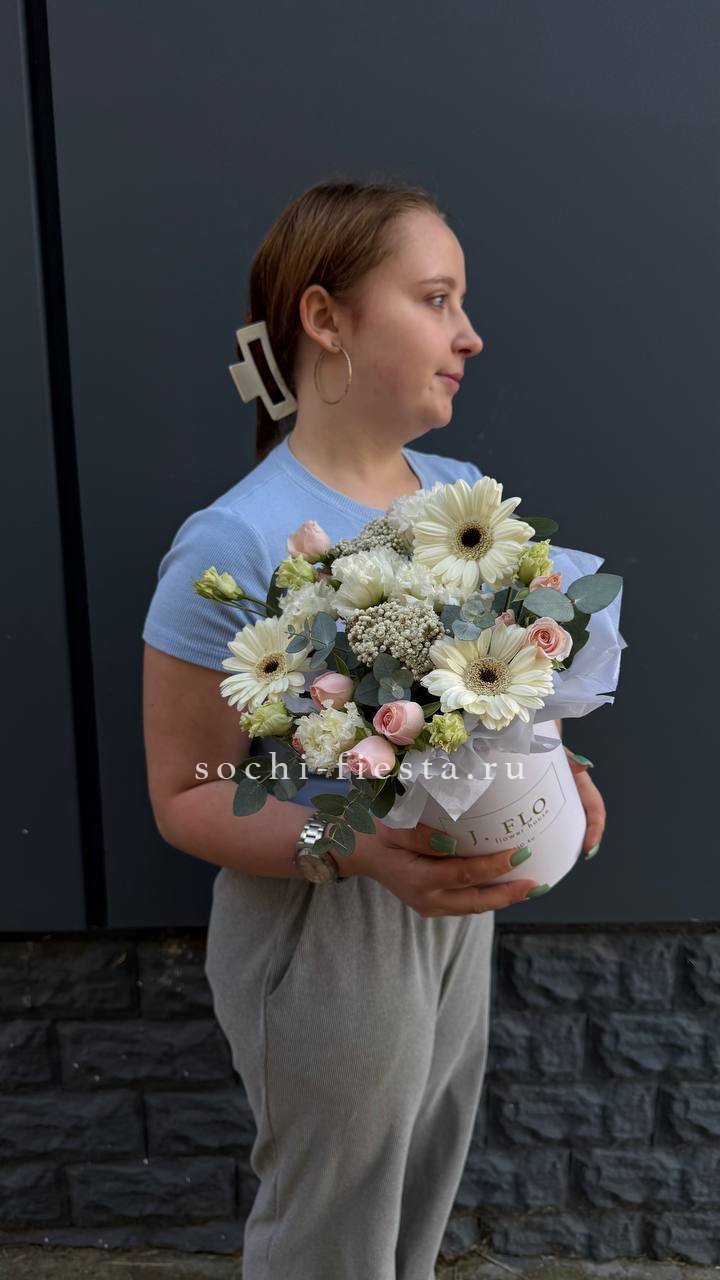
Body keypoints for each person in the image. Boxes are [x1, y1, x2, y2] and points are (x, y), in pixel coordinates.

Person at [142, 177, 605, 1280]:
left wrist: (557, 767)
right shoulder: (236, 542)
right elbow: (189, 792)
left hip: (447, 905)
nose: (469, 334)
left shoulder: (460, 497)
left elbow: (496, 693)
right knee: (333, 1238)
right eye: (437, 299)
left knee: (414, 1211)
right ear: (326, 317)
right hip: (322, 925)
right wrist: (351, 845)